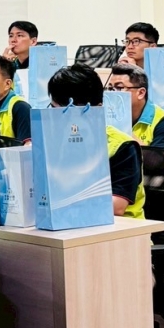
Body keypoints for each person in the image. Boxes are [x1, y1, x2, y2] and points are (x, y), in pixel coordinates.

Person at [47, 63, 144, 218]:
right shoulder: (51, 140)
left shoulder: (123, 146)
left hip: (119, 228)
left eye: (68, 111)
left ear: (97, 108)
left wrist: (60, 200)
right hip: (66, 221)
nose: (58, 119)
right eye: (54, 109)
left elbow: (117, 206)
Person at [107, 64, 164, 150]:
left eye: (119, 88)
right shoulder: (105, 118)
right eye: (110, 88)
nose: (112, 93)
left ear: (141, 93)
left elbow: (156, 158)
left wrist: (123, 129)